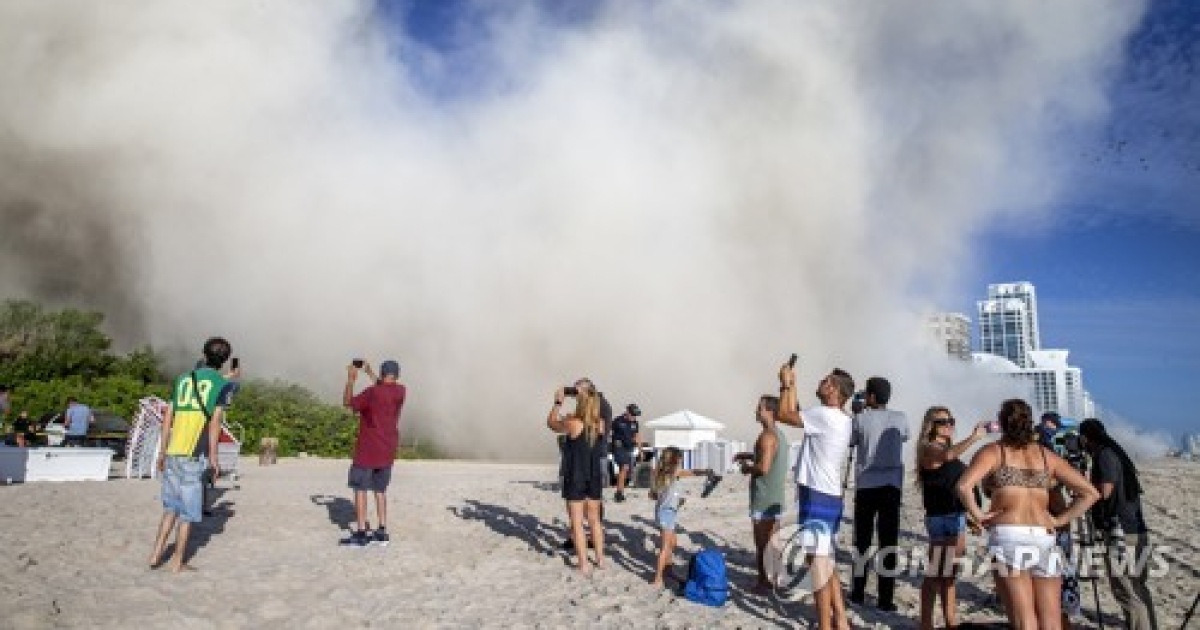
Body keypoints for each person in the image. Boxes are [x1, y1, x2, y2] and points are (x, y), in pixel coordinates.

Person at [956, 399, 1099, 630]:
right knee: (1051, 621)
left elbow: (963, 486)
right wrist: (1059, 520)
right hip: (1044, 536)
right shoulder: (1046, 456)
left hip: (1009, 536)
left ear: (1001, 423)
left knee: (1024, 620)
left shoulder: (994, 452)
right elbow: (1090, 493)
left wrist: (978, 515)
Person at [775, 361, 856, 630]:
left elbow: (784, 414)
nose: (820, 382)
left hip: (818, 495)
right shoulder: (840, 418)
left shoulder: (825, 415)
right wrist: (791, 385)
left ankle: (825, 625)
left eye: (826, 380)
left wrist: (786, 384)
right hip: (827, 494)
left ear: (834, 390)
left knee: (818, 565)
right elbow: (793, 412)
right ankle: (840, 620)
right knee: (824, 560)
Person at [148, 337, 236, 572]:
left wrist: (162, 452)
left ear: (203, 354)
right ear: (225, 360)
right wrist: (214, 458)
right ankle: (177, 561)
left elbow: (168, 418)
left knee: (170, 508)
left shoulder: (184, 379)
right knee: (187, 514)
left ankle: (155, 554)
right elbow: (215, 422)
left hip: (173, 451)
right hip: (193, 454)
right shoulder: (223, 385)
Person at [1079, 418, 1158, 630]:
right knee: (1138, 587)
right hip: (1134, 528)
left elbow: (1105, 490)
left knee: (1126, 590)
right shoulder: (1117, 454)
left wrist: (1083, 487)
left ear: (1086, 437)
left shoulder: (1105, 455)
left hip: (1120, 532)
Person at [915, 406, 986, 630]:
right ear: (931, 425)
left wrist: (973, 515)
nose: (949, 425)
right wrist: (974, 438)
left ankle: (950, 622)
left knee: (949, 576)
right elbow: (946, 456)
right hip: (940, 517)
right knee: (935, 575)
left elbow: (958, 482)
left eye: (951, 421)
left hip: (956, 516)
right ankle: (927, 624)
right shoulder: (928, 449)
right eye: (943, 421)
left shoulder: (949, 451)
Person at [848, 376, 909, 611]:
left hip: (866, 486)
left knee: (862, 542)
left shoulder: (861, 419)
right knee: (888, 543)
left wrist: (857, 413)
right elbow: (904, 436)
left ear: (871, 396)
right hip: (891, 486)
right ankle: (885, 599)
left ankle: (858, 592)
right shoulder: (901, 418)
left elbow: (852, 442)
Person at [339, 359, 407, 547]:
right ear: (397, 375)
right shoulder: (400, 391)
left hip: (368, 450)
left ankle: (361, 532)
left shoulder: (371, 393)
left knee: (360, 489)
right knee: (380, 490)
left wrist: (351, 379)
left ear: (382, 372)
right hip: (387, 450)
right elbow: (384, 387)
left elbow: (347, 403)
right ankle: (381, 530)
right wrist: (369, 372)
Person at [546, 381, 606, 576]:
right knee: (595, 521)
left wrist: (558, 402)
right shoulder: (600, 423)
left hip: (576, 476)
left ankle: (583, 564)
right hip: (594, 476)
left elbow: (551, 424)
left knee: (577, 522)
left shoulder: (573, 423)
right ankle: (600, 559)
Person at [738, 394, 789, 594]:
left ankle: (763, 582)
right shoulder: (779, 434)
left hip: (763, 497)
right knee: (773, 541)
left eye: (759, 408)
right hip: (776, 497)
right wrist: (748, 455)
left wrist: (747, 468)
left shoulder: (767, 436)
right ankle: (777, 580)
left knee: (762, 543)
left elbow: (764, 467)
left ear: (769, 411)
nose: (756, 411)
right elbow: (769, 455)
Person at [649, 446, 714, 588]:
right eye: (680, 458)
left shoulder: (658, 473)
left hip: (662, 511)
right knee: (665, 547)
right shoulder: (674, 472)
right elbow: (691, 472)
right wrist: (705, 472)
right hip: (667, 513)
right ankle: (658, 578)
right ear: (675, 460)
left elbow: (653, 495)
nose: (681, 461)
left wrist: (671, 498)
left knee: (672, 542)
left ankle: (669, 570)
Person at [610, 403, 641, 502]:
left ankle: (619, 491)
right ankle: (619, 493)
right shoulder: (618, 421)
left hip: (629, 449)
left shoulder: (635, 423)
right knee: (624, 467)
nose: (634, 417)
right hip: (619, 448)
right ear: (627, 412)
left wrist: (640, 450)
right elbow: (608, 432)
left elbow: (636, 436)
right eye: (633, 414)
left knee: (626, 470)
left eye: (635, 415)